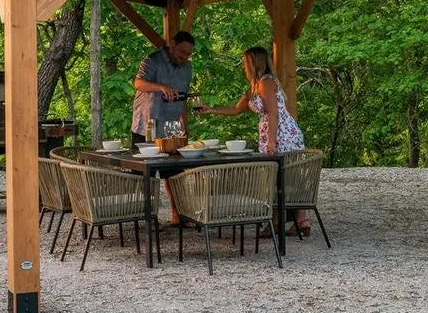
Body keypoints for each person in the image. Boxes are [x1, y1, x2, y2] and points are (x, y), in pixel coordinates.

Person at [197, 45, 310, 235]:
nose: (243, 66)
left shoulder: (266, 83)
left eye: (245, 62)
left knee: (282, 177)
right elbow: (237, 109)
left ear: (253, 63)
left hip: (282, 134)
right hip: (272, 133)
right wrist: (211, 110)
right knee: (278, 177)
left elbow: (273, 114)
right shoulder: (255, 86)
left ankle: (291, 220)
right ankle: (294, 221)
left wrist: (272, 141)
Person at [132, 31, 196, 226]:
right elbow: (138, 83)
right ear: (172, 44)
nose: (184, 57)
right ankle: (148, 218)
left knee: (175, 173)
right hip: (148, 124)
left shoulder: (187, 68)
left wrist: (184, 124)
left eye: (188, 54)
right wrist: (161, 87)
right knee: (146, 175)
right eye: (182, 52)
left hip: (172, 126)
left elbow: (183, 98)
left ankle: (178, 215)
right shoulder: (152, 60)